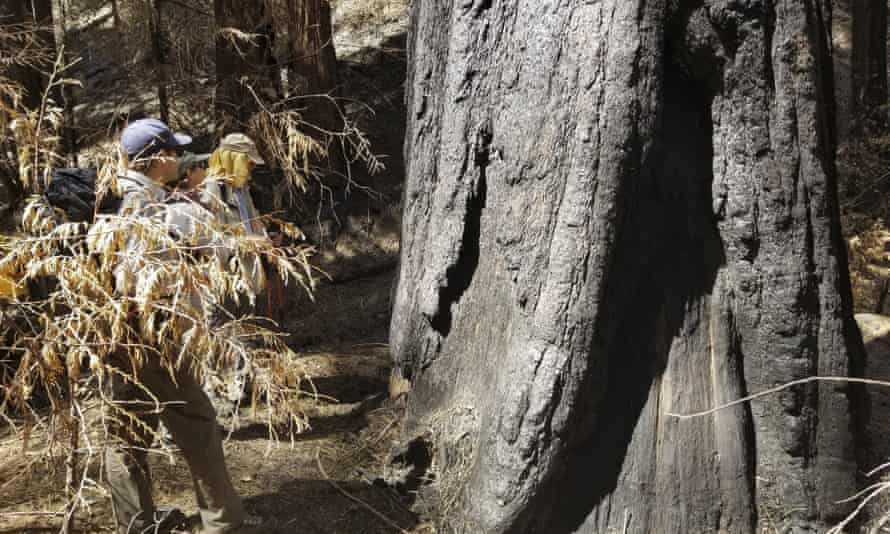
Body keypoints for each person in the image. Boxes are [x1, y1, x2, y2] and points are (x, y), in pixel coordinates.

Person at [100, 118, 277, 534]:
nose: (179, 158)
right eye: (174, 151)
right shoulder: (164, 209)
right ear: (160, 157)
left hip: (111, 336)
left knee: (125, 434)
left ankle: (136, 524)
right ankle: (224, 523)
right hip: (160, 336)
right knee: (198, 427)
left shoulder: (109, 200)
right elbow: (220, 250)